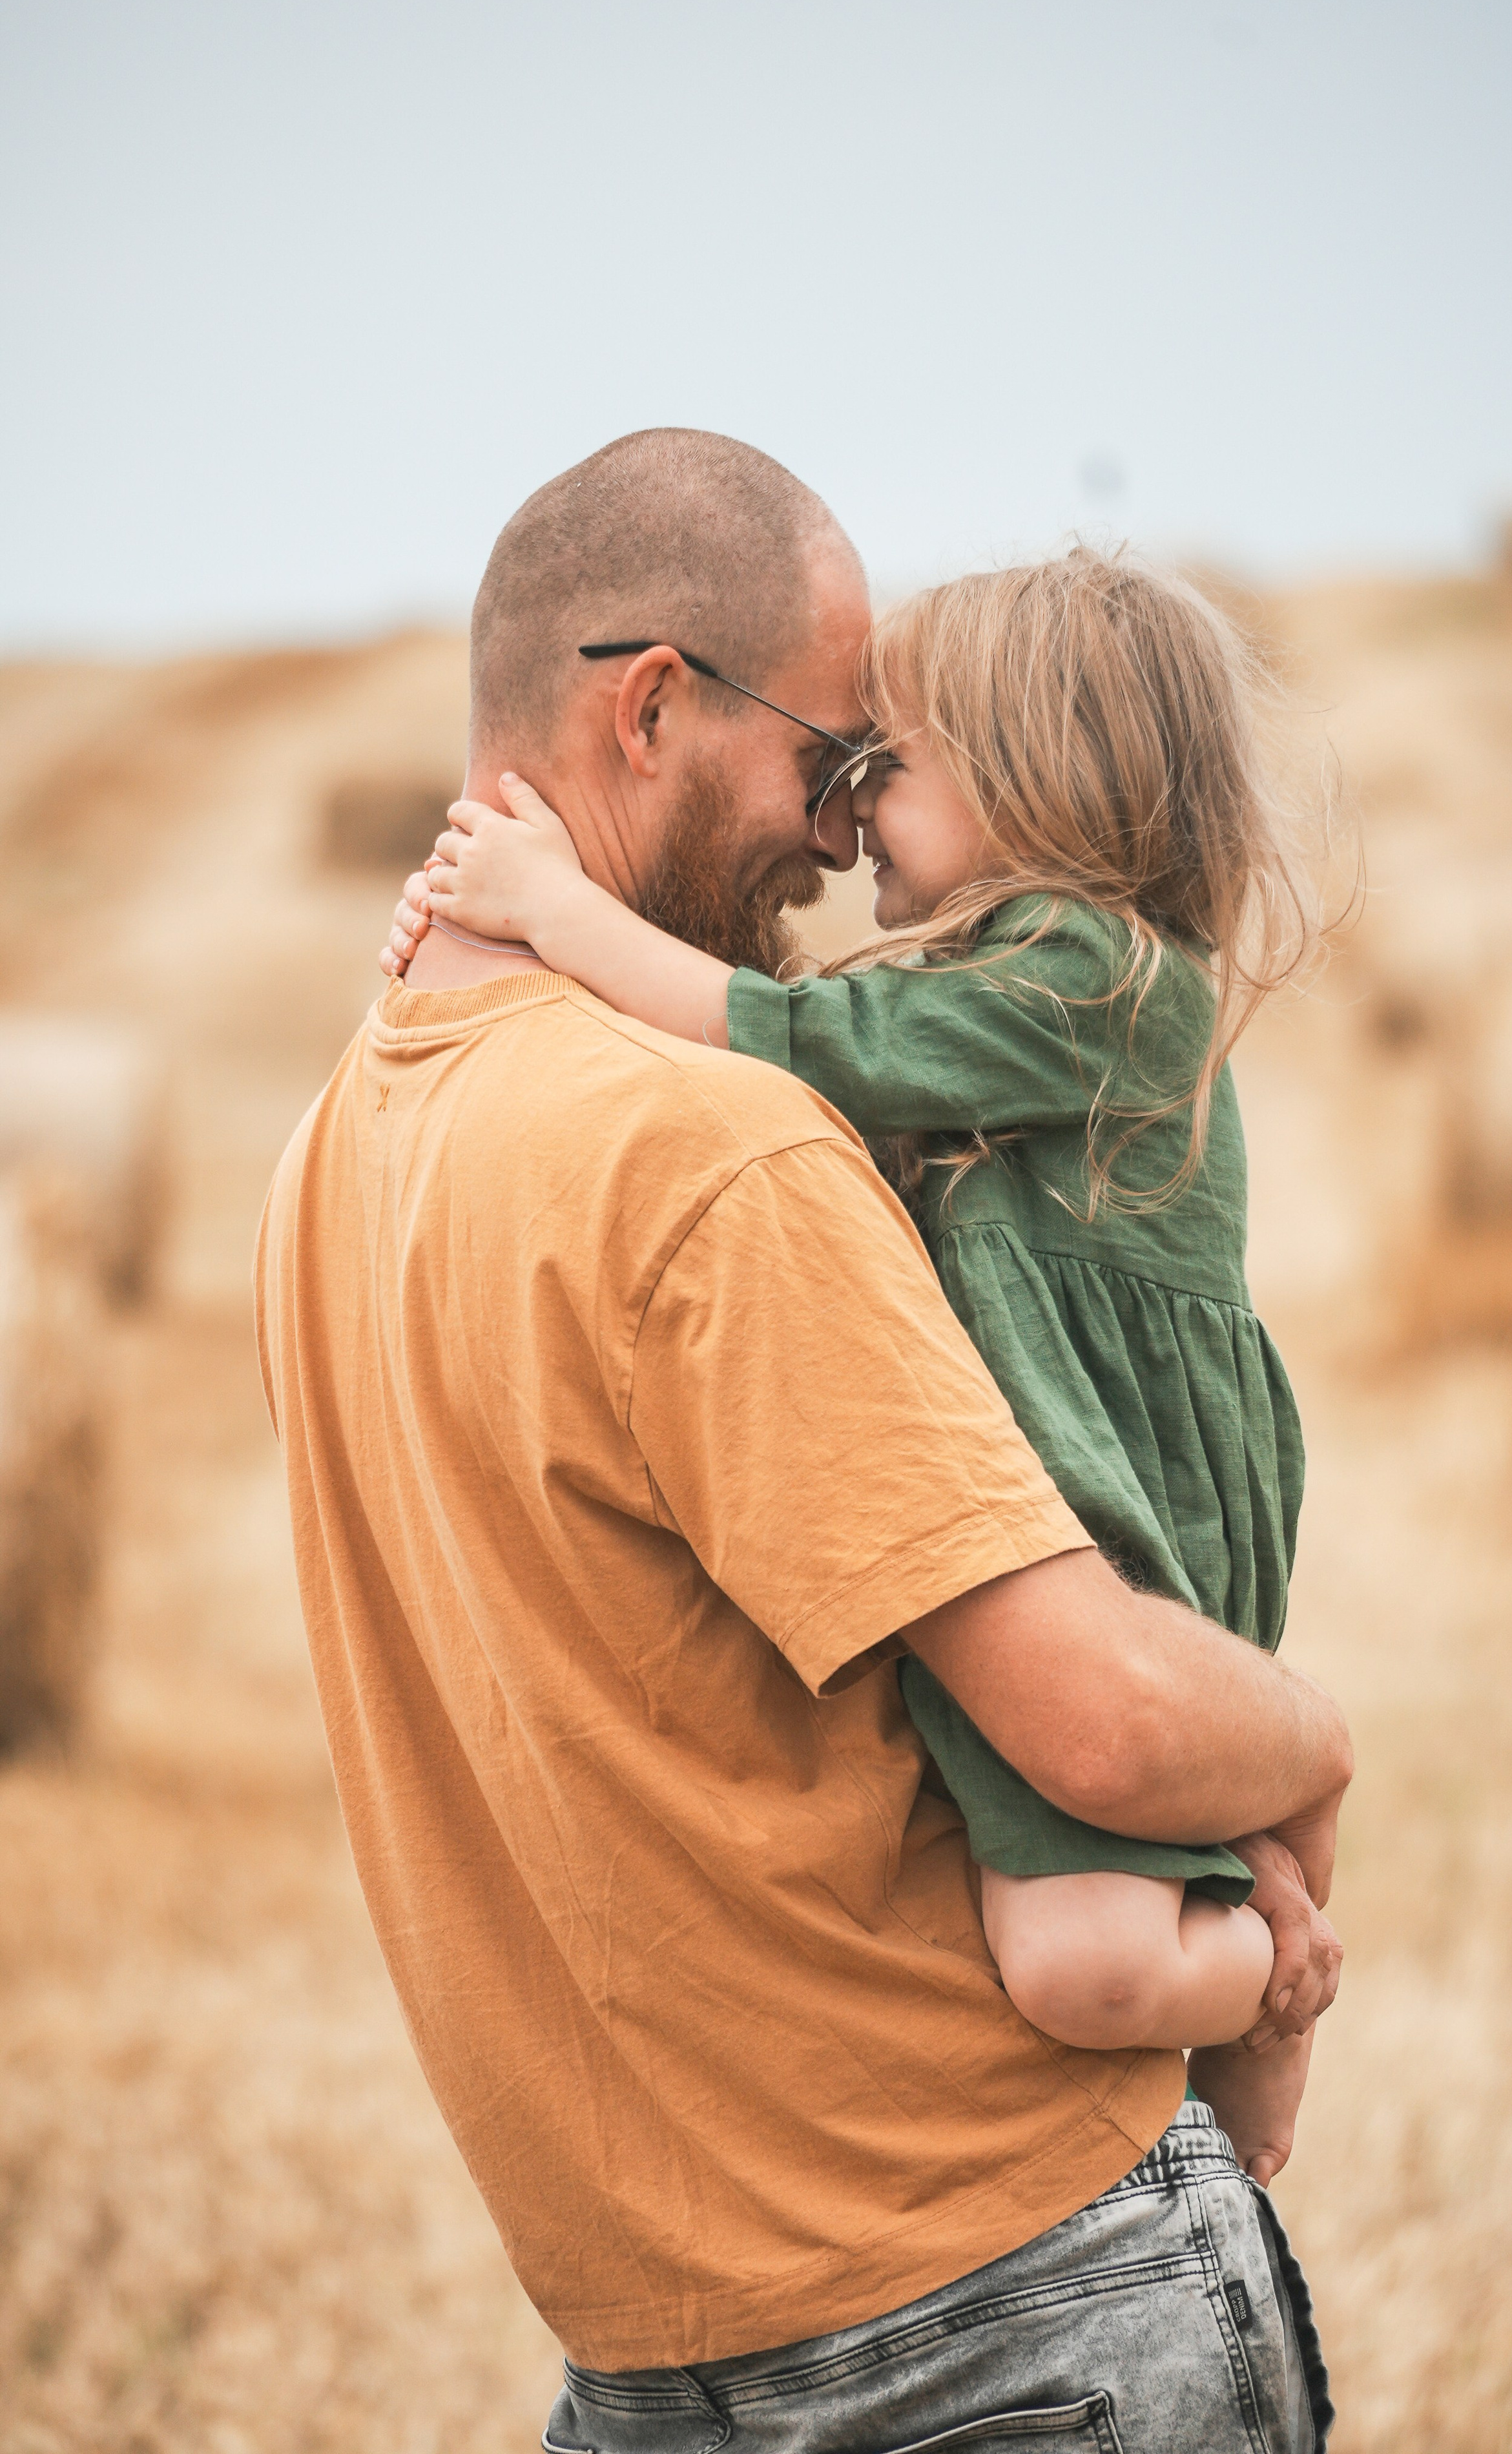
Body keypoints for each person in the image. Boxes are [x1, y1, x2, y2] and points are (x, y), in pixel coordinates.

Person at [260, 428, 1349, 2454]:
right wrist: (1316, 1747)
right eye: (829, 762)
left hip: (674, 2345)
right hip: (1008, 2323)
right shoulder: (709, 1153)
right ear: (653, 707)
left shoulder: (336, 1154)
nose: (846, 846)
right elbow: (1111, 1729)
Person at [386, 546, 1331, 2172]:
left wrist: (552, 910)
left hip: (1116, 1492)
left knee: (1082, 1965)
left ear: (1030, 781)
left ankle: (1277, 1982)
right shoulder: (1002, 989)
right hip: (1043, 1477)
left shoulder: (1095, 977)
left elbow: (788, 1044)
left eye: (885, 766)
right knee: (1094, 1910)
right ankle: (1247, 1940)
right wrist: (468, 944)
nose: (847, 815)